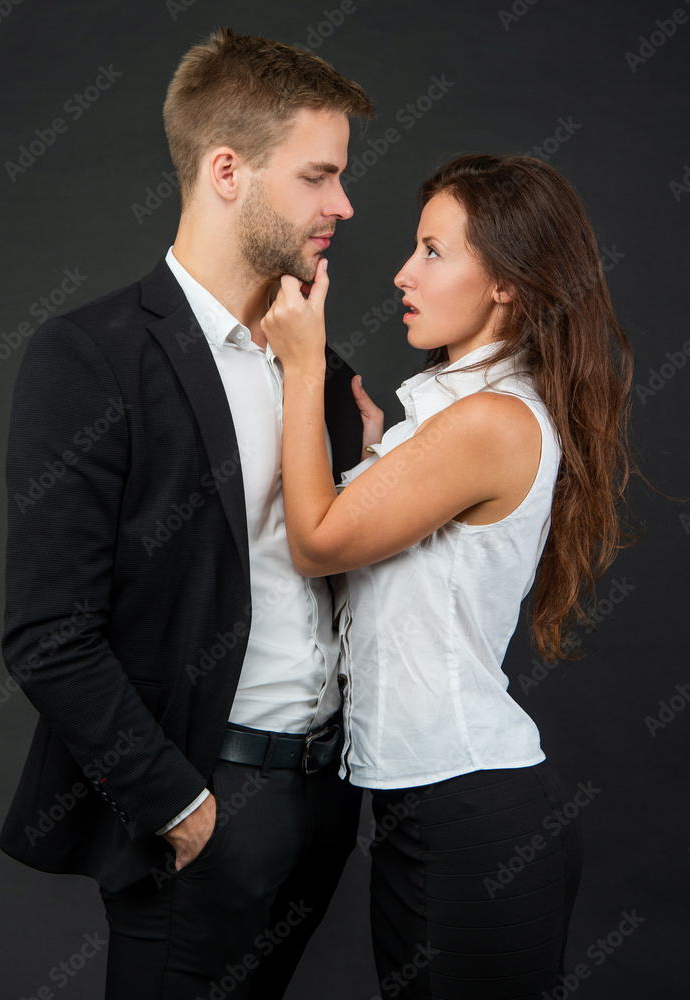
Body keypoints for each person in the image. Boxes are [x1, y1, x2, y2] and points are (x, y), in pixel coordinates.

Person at [0, 27, 376, 999]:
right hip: (203, 809)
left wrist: (375, 457)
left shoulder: (325, 374)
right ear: (225, 170)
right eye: (318, 176)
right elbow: (48, 633)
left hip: (324, 806)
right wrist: (182, 807)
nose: (343, 204)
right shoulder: (91, 356)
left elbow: (333, 566)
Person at [261, 152, 638, 999]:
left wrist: (299, 366)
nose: (402, 272)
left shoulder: (491, 420)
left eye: (433, 251)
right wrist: (369, 467)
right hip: (428, 807)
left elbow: (317, 544)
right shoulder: (452, 415)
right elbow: (380, 574)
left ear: (505, 281)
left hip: (469, 813)